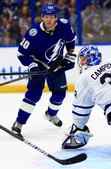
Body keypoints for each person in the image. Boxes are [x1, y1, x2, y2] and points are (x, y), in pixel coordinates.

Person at [11, 3, 76, 137]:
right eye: (46, 17)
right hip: (38, 65)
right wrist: (31, 65)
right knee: (34, 95)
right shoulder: (33, 33)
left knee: (60, 94)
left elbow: (71, 41)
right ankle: (18, 123)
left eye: (52, 17)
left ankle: (51, 115)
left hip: (56, 65)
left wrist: (70, 54)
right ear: (42, 17)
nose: (49, 20)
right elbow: (21, 54)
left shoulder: (64, 26)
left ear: (56, 18)